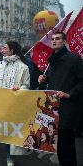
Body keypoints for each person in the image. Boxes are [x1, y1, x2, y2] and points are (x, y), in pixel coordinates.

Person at [38, 32, 83, 166]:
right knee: (58, 147)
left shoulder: (74, 59)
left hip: (67, 109)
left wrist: (69, 94)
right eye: (52, 39)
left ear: (64, 41)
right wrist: (44, 80)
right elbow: (53, 83)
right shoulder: (51, 61)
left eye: (57, 39)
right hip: (53, 108)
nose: (54, 41)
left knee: (66, 147)